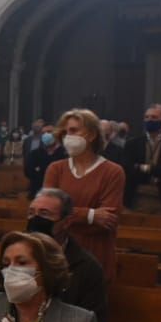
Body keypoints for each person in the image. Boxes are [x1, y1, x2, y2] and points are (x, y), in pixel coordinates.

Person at [41, 108, 125, 274]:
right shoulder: (56, 169)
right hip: (58, 256)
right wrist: (90, 215)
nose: (67, 136)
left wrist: (65, 217)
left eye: (73, 130)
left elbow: (107, 221)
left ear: (92, 135)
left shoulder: (113, 172)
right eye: (65, 132)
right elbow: (46, 214)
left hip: (96, 254)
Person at [25, 187, 108, 322]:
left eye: (44, 214)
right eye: (31, 213)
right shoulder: (12, 254)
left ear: (67, 222)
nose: (36, 219)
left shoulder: (87, 267)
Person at [122, 104, 161, 213]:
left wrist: (142, 168)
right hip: (135, 198)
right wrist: (160, 170)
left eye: (154, 117)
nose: (149, 120)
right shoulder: (132, 143)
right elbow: (128, 170)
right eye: (146, 117)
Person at [24, 128, 60, 197]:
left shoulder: (63, 153)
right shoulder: (35, 153)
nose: (47, 134)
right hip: (37, 189)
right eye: (44, 133)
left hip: (57, 192)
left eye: (49, 132)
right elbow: (28, 171)